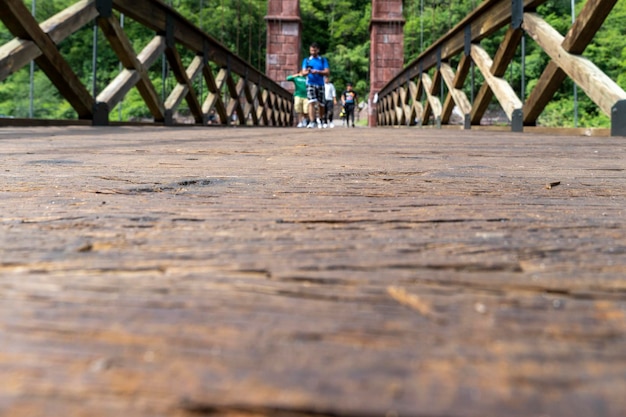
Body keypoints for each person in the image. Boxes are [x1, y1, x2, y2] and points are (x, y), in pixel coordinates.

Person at [302, 42, 330, 129]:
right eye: (311, 50)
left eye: (314, 50)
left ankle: (321, 119)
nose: (312, 52)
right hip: (310, 83)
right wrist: (308, 71)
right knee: (311, 102)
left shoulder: (322, 60)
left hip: (320, 84)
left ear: (318, 50)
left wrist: (317, 71)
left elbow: (327, 72)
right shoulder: (306, 60)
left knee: (321, 104)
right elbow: (303, 73)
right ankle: (312, 121)